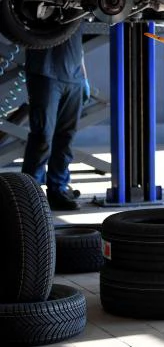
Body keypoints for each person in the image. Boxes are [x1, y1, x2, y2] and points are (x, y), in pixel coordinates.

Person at [22, 22, 91, 211]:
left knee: (66, 137)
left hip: (74, 75)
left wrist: (84, 76)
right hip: (45, 73)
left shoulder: (79, 6)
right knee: (42, 135)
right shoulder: (41, 4)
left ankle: (58, 189)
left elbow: (79, 46)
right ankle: (31, 193)